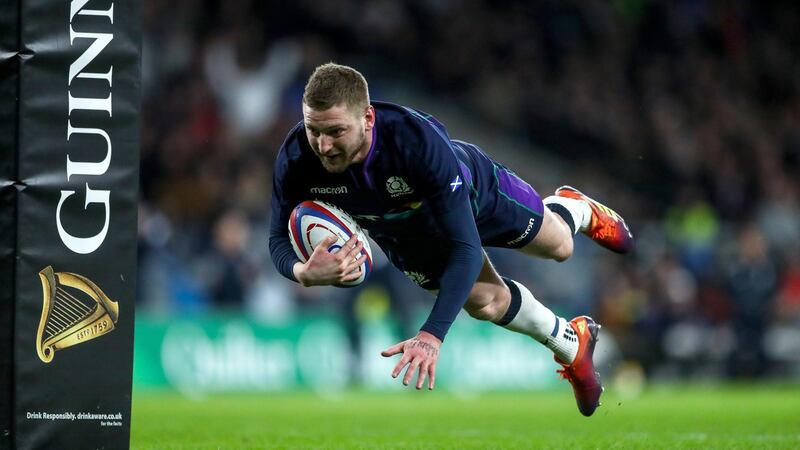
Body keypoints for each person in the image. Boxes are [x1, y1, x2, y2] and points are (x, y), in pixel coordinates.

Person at [268, 63, 633, 416]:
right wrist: (303, 271)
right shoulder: (297, 157)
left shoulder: (415, 142)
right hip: (405, 234)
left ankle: (574, 209)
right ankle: (573, 342)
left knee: (561, 248)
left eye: (335, 131)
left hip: (471, 194)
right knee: (485, 303)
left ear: (367, 118)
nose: (323, 144)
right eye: (314, 129)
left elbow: (467, 250)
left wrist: (431, 335)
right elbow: (276, 238)